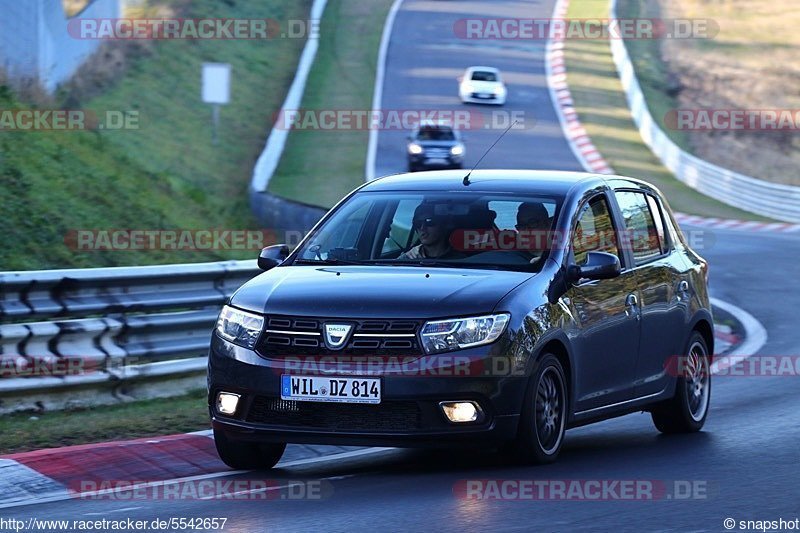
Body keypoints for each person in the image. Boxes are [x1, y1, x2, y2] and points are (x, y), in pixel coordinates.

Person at [399, 202, 464, 260]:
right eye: (418, 224)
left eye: (429, 222)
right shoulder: (409, 258)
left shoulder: (460, 260)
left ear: (443, 225)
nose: (422, 228)